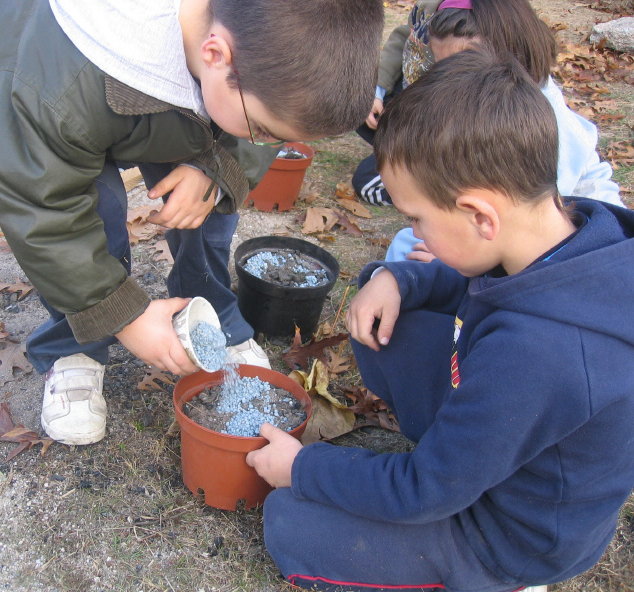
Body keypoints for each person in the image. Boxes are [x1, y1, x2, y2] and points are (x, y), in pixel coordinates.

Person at [246, 48, 634, 592]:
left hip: (508, 537)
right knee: (387, 320)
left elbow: (424, 490)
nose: (414, 235)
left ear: (480, 215)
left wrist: (302, 468)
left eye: (417, 219)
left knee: (291, 519)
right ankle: (459, 446)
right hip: (496, 441)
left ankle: (502, 582)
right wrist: (397, 279)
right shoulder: (558, 232)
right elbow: (468, 280)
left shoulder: (541, 354)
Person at [0, 0, 384, 445]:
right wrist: (123, 315)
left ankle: (209, 311)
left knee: (207, 200)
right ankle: (73, 343)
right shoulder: (57, 89)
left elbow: (254, 114)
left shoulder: (256, 41)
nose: (266, 140)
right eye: (263, 130)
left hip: (168, 89)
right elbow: (42, 205)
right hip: (43, 75)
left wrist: (215, 167)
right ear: (215, 55)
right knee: (97, 207)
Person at [384, 0, 624, 262]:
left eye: (466, 64)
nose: (451, 76)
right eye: (443, 66)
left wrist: (453, 258)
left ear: (510, 49)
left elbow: (531, 216)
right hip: (505, 222)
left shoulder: (545, 118)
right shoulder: (478, 99)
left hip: (576, 238)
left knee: (412, 253)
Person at [351, 0, 446, 206]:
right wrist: (376, 91)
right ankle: (396, 153)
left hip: (436, 124)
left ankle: (426, 174)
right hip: (408, 102)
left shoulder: (482, 11)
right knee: (354, 100)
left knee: (367, 184)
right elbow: (406, 37)